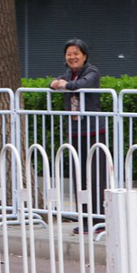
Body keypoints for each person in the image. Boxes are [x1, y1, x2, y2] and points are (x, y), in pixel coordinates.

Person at [50, 38, 109, 233]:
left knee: (96, 175)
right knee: (79, 175)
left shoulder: (92, 72)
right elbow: (53, 84)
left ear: (84, 56)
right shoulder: (68, 74)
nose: (72, 57)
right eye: (69, 54)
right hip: (75, 131)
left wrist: (63, 85)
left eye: (76, 53)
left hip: (94, 131)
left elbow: (81, 85)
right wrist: (57, 83)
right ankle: (84, 219)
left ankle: (100, 220)